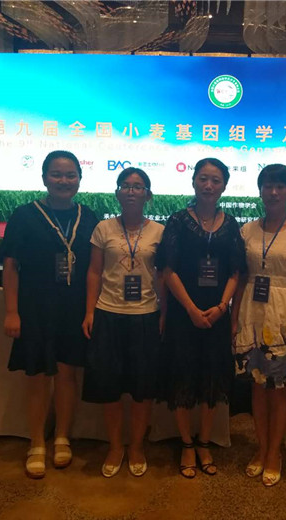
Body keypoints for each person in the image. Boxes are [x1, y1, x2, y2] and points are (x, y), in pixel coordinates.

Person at [1, 150, 98, 479]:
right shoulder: (24, 215)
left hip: (74, 308)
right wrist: (11, 311)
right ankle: (36, 442)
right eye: (56, 174)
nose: (63, 180)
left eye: (71, 175)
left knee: (68, 375)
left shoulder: (89, 216)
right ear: (44, 178)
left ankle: (62, 438)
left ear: (80, 179)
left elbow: (96, 269)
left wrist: (90, 310)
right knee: (38, 377)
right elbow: (11, 266)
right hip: (35, 307)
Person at [156, 158, 246, 478]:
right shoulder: (178, 221)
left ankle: (204, 441)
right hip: (184, 313)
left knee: (211, 380)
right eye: (203, 179)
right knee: (182, 378)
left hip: (216, 314)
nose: (209, 185)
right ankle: (186, 443)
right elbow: (167, 270)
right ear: (193, 181)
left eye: (216, 180)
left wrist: (222, 306)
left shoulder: (231, 224)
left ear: (224, 185)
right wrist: (191, 310)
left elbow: (236, 271)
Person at [231, 164, 286, 487]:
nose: (274, 192)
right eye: (268, 185)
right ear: (260, 190)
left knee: (279, 390)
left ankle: (274, 453)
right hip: (252, 312)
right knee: (257, 385)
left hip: (285, 313)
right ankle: (261, 447)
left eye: (280, 186)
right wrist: (234, 317)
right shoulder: (247, 230)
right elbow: (241, 278)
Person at [81, 167, 165, 478]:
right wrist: (90, 312)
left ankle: (137, 446)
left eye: (138, 186)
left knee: (143, 389)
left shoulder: (159, 231)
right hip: (108, 313)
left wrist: (164, 313)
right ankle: (116, 446)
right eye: (126, 186)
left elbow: (162, 277)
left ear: (148, 195)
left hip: (146, 315)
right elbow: (94, 272)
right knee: (110, 387)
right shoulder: (103, 228)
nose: (131, 191)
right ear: (117, 193)